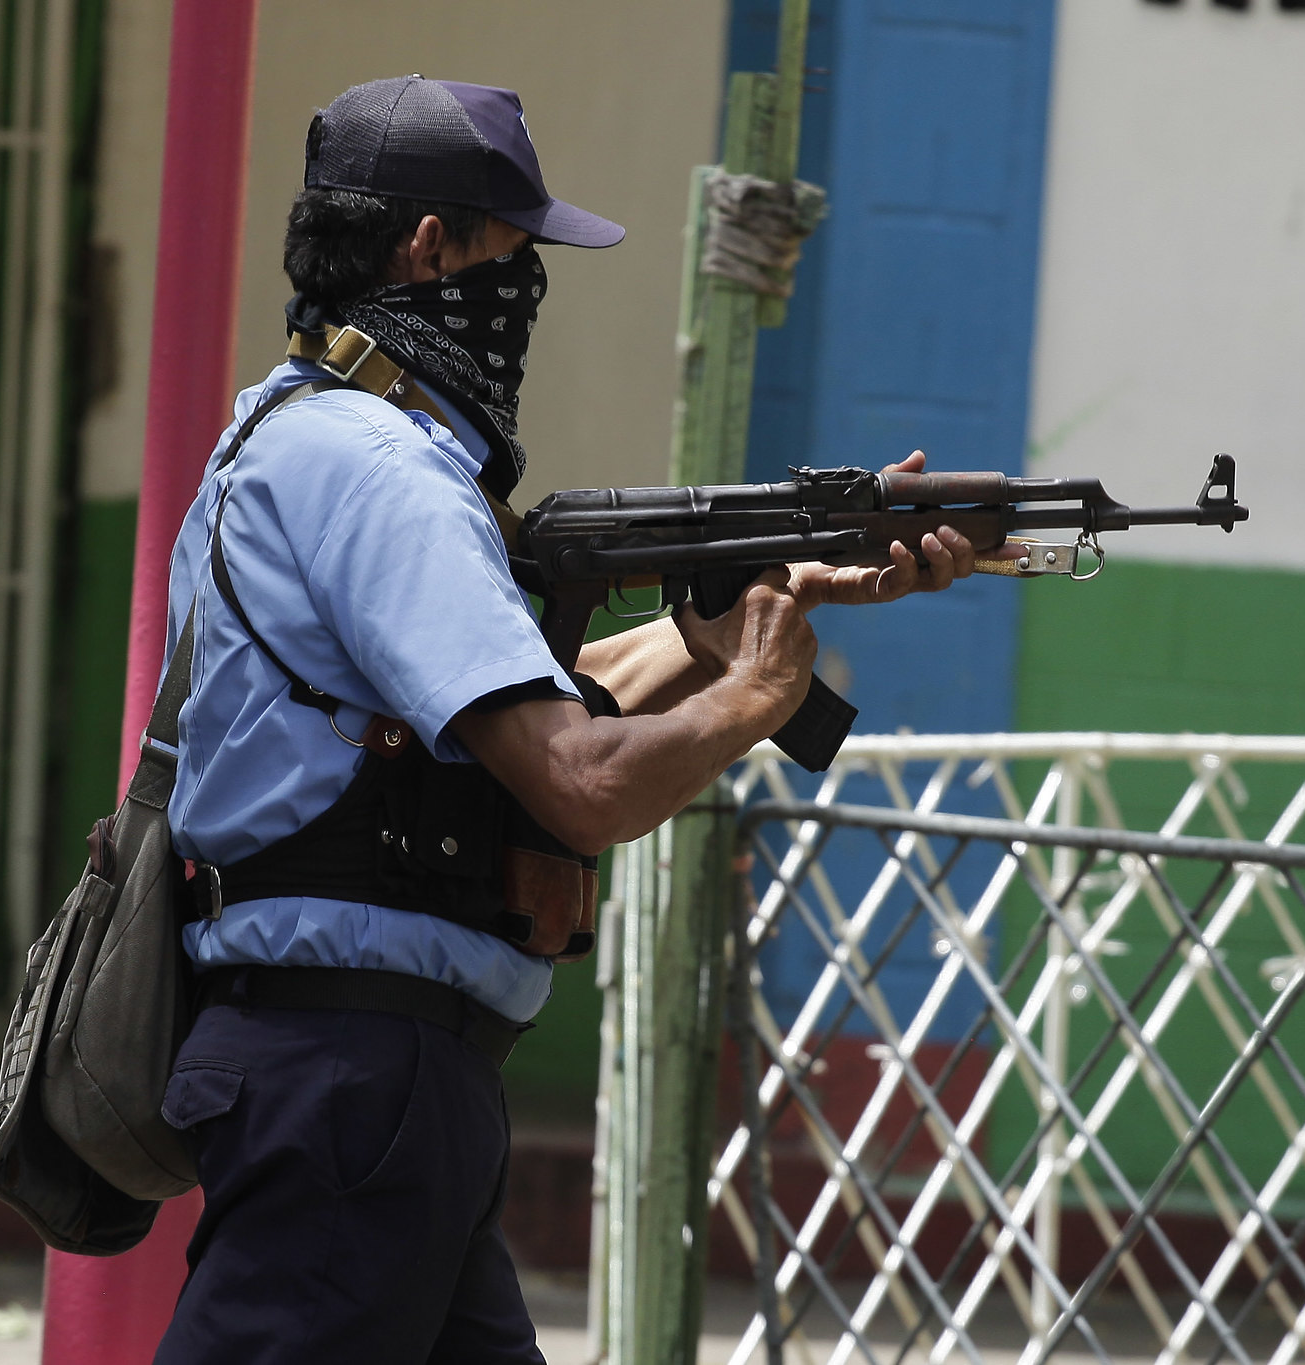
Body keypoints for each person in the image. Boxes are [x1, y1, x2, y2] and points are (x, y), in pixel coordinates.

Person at [149, 76, 983, 1364]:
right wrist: (759, 694)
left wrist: (773, 606)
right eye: (515, 252)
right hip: (357, 1072)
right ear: (430, 247)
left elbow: (497, 704)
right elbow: (578, 781)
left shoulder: (298, 432)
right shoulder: (383, 472)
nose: (529, 287)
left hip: (368, 1073)